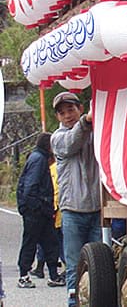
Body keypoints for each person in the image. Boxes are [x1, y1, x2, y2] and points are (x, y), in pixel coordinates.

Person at [51, 92, 101, 307]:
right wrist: (86, 122)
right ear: (58, 118)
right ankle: (74, 303)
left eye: (71, 109)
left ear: (80, 108)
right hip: (72, 211)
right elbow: (72, 142)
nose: (67, 115)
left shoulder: (95, 133)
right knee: (74, 266)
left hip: (99, 210)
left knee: (101, 265)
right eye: (62, 113)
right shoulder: (58, 138)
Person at [16, 132, 65, 289]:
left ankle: (53, 275)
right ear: (49, 145)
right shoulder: (39, 160)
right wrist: (39, 207)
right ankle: (24, 276)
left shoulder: (38, 158)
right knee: (31, 243)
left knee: (50, 243)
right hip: (36, 211)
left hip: (39, 210)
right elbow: (31, 186)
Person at [32, 156, 64, 279]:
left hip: (54, 209)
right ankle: (42, 267)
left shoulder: (52, 169)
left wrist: (53, 206)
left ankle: (41, 266)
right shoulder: (57, 167)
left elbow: (55, 190)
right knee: (52, 239)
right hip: (57, 208)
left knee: (53, 240)